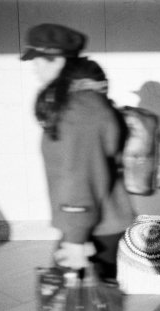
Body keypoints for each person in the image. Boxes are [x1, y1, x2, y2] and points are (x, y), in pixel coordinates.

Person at [21, 24, 135, 281]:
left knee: (75, 301)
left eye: (39, 60)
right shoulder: (80, 102)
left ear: (58, 59)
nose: (35, 67)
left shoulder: (79, 110)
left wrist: (75, 239)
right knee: (93, 299)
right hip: (95, 219)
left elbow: (81, 174)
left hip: (89, 223)